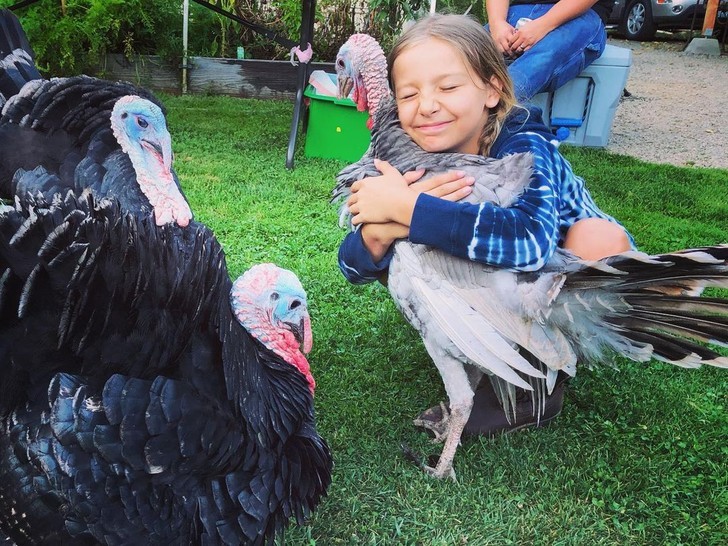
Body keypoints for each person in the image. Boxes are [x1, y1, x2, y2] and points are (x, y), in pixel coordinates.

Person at [337, 13, 633, 436]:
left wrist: (409, 210)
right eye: (409, 94)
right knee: (410, 249)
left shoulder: (525, 141)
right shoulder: (407, 158)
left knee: (599, 240)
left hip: (558, 259)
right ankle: (488, 343)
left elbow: (529, 242)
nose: (427, 105)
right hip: (496, 276)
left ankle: (538, 383)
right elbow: (351, 266)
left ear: (492, 90)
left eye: (449, 87)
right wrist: (379, 231)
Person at [485, 0, 616, 101]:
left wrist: (543, 25)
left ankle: (491, 111)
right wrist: (497, 23)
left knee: (536, 62)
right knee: (469, 53)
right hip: (517, 11)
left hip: (580, 14)